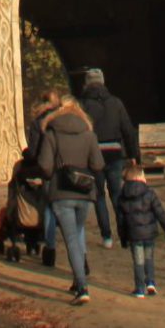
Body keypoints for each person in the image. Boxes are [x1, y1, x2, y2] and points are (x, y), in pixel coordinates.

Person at [38, 93, 106, 305]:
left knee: (71, 240)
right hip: (84, 193)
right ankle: (78, 281)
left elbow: (45, 166)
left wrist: (53, 175)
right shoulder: (88, 134)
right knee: (77, 234)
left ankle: (82, 287)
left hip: (62, 192)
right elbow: (98, 164)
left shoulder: (51, 133)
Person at [78, 68, 140, 247]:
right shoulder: (116, 103)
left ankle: (107, 236)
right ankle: (124, 234)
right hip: (114, 153)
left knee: (98, 196)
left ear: (87, 84)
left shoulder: (83, 105)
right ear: (103, 82)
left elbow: (81, 131)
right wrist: (133, 155)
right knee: (117, 195)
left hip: (94, 154)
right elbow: (128, 130)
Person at [115, 162, 165, 298]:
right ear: (141, 178)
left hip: (134, 235)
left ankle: (140, 288)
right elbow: (160, 212)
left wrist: (123, 238)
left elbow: (121, 221)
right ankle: (151, 282)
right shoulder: (149, 193)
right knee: (149, 258)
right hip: (149, 233)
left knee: (138, 261)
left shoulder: (122, 197)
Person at [23, 90, 64, 266]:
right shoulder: (63, 119)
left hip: (45, 168)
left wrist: (28, 157)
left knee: (48, 207)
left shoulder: (38, 121)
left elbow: (33, 150)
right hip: (64, 167)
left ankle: (50, 247)